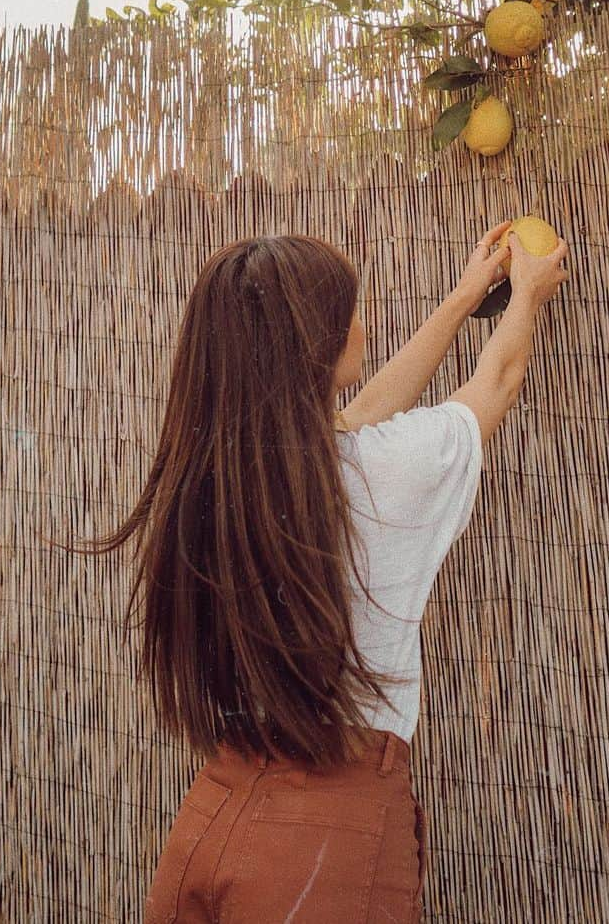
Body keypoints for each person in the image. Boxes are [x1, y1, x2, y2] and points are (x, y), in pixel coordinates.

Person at [66, 219, 569, 923]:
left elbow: (360, 414)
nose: (360, 321)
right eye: (349, 310)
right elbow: (500, 379)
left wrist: (462, 299)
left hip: (214, 812)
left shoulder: (223, 481)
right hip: (322, 842)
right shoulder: (381, 473)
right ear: (317, 342)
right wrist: (529, 297)